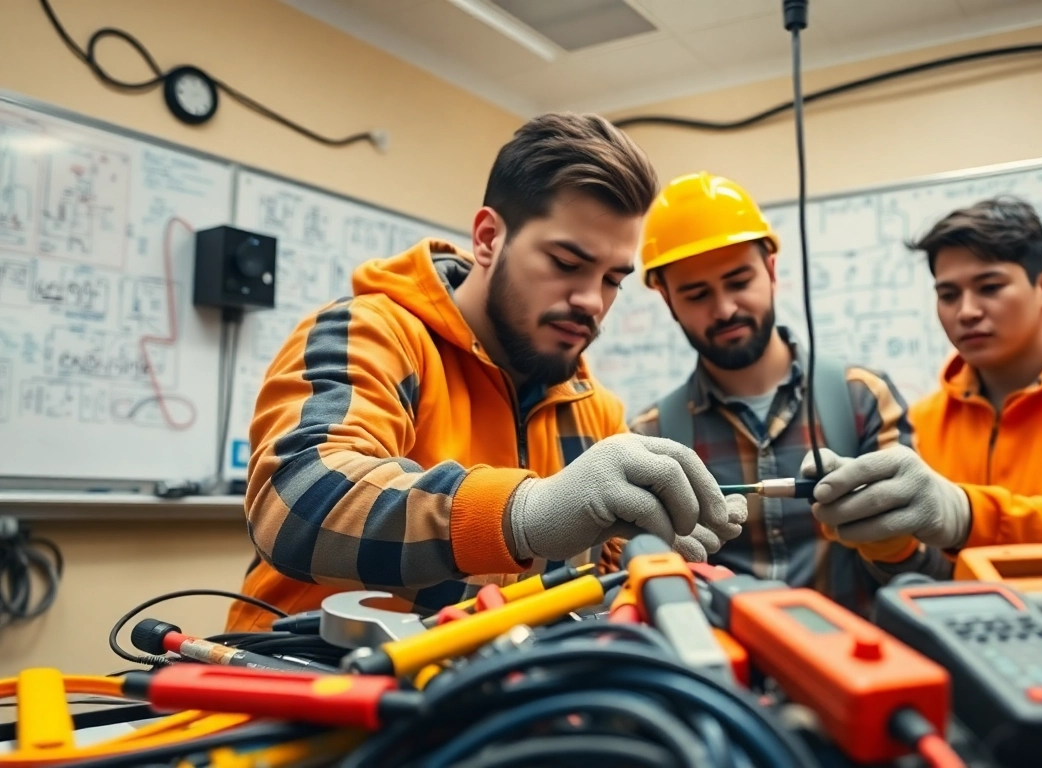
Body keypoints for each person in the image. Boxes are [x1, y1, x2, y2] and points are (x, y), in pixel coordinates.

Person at [227, 115, 745, 632]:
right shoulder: (373, 333)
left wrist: (641, 552)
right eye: (566, 263)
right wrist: (522, 513)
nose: (592, 300)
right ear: (488, 238)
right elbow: (295, 502)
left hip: (479, 694)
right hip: (300, 685)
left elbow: (593, 588)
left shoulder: (596, 411)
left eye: (613, 279)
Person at [629, 171, 934, 614]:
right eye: (696, 295)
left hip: (858, 669)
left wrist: (892, 541)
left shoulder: (863, 399)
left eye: (738, 282)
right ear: (668, 301)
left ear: (771, 270)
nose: (725, 309)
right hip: (719, 677)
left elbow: (918, 583)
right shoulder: (651, 439)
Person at [796, 195, 1042, 560]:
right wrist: (880, 530)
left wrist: (967, 514)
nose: (966, 312)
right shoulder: (924, 419)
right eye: (948, 295)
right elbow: (925, 564)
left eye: (990, 287)